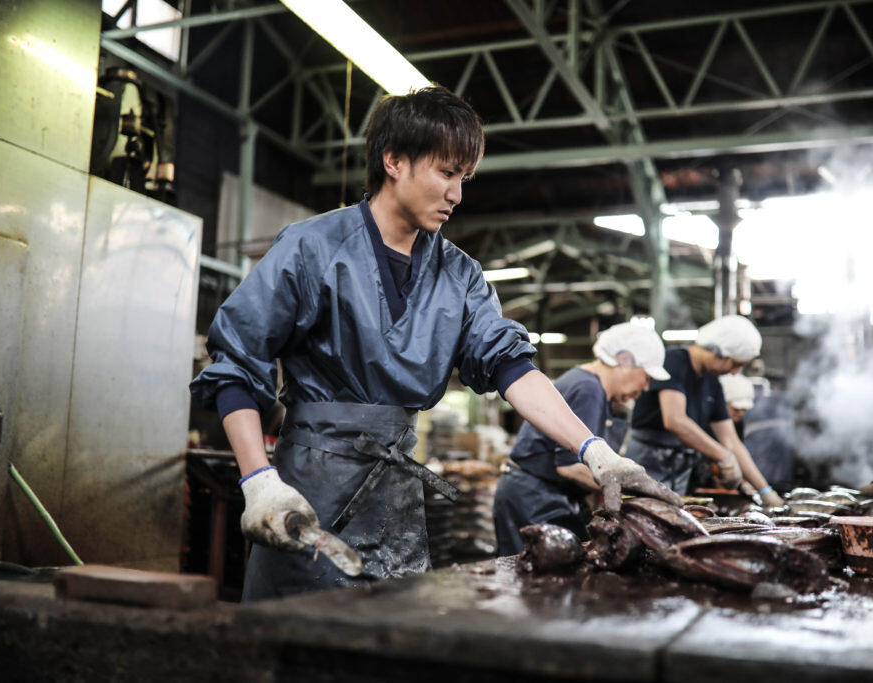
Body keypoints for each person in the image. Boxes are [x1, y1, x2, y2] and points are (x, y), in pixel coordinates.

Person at [190, 86, 678, 600]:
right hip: (306, 493)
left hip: (395, 498)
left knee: (394, 632)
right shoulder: (312, 247)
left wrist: (595, 450)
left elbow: (512, 367)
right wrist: (258, 481)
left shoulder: (460, 275)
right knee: (295, 633)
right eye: (446, 173)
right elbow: (236, 363)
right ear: (394, 161)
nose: (457, 195)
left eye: (464, 179)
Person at [492, 321, 671, 555]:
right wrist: (631, 494)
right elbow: (569, 467)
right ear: (624, 360)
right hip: (532, 498)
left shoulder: (594, 389)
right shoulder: (589, 388)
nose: (646, 387)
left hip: (540, 494)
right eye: (646, 377)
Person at [626, 315, 785, 508]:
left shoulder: (713, 382)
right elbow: (675, 421)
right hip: (647, 464)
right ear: (715, 351)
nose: (734, 372)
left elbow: (731, 440)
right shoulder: (674, 361)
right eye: (734, 364)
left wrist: (765, 491)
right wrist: (723, 456)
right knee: (641, 515)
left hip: (679, 472)